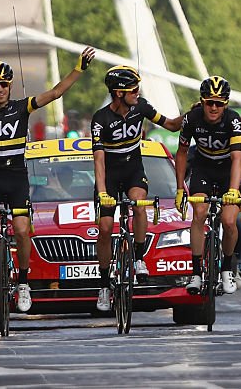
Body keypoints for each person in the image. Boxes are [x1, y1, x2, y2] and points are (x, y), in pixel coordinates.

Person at [0, 49, 95, 314]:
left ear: (9, 86)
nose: (0, 89)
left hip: (17, 178)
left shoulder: (22, 107)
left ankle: (23, 283)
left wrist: (78, 69)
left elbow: (54, 93)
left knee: (21, 230)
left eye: (4, 85)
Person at [92, 65, 183, 312]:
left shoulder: (141, 107)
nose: (138, 92)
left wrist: (191, 115)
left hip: (133, 171)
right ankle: (103, 285)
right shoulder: (100, 119)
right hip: (109, 176)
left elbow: (172, 125)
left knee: (139, 206)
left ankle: (139, 258)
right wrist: (102, 192)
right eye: (133, 89)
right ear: (119, 93)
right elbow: (98, 160)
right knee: (105, 227)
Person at [175, 76, 241, 296]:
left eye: (219, 103)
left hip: (226, 171)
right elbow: (182, 153)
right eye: (209, 102)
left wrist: (233, 190)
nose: (214, 107)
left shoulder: (233, 120)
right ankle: (196, 273)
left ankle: (226, 269)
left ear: (226, 104)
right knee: (199, 213)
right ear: (202, 101)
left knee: (229, 220)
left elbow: (237, 158)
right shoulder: (192, 118)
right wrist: (179, 188)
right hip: (203, 168)